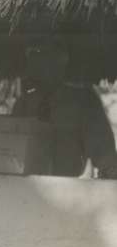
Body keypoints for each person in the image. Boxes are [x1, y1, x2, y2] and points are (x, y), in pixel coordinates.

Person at [12, 40, 117, 178]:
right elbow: (7, 153)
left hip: (67, 191)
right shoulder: (23, 104)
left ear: (63, 59)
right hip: (24, 190)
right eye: (36, 55)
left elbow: (105, 157)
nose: (43, 62)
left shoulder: (83, 101)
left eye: (49, 54)